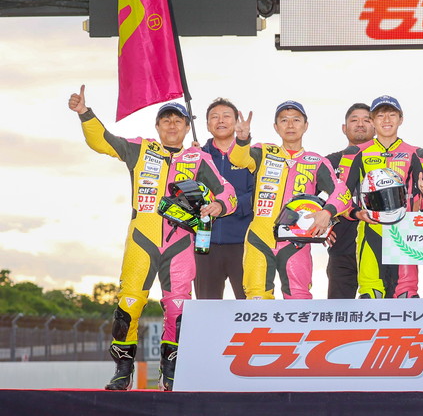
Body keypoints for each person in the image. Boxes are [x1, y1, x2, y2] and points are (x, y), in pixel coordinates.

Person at [68, 87, 236, 391]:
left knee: (178, 310)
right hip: (141, 240)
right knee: (128, 305)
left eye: (178, 121)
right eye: (166, 120)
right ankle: (123, 370)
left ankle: (170, 373)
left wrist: (218, 206)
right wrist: (84, 113)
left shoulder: (198, 158)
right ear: (157, 126)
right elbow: (101, 141)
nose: (172, 125)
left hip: (180, 243)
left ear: (187, 127)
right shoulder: (141, 149)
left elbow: (228, 192)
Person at [232, 101, 351, 300]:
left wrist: (327, 213)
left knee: (299, 297)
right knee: (256, 297)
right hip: (259, 236)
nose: (290, 125)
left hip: (297, 240)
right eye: (284, 120)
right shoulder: (264, 151)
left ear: (305, 126)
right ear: (275, 127)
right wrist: (242, 140)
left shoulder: (317, 161)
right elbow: (238, 159)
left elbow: (342, 192)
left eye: (296, 120)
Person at [338, 95, 423, 299]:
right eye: (380, 115)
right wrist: (356, 213)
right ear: (373, 121)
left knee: (406, 294)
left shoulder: (418, 154)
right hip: (371, 229)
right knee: (370, 294)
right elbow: (341, 197)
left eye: (392, 115)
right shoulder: (354, 153)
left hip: (405, 233)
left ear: (401, 119)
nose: (386, 120)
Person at [195, 98, 255, 300]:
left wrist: (227, 206)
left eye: (226, 116)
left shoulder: (252, 155)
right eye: (214, 117)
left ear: (236, 122)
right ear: (207, 125)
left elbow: (258, 194)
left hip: (244, 243)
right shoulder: (197, 156)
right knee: (207, 306)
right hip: (205, 244)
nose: (220, 120)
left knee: (250, 307)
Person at [325, 103, 375, 299]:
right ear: (344, 128)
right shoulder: (330, 162)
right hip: (341, 249)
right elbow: (310, 198)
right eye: (354, 120)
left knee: (381, 310)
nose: (360, 124)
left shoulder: (388, 159)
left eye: (366, 120)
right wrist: (322, 228)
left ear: (375, 126)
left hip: (379, 247)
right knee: (337, 311)